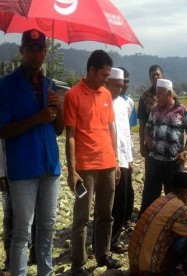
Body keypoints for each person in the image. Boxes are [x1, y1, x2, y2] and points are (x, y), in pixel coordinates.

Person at [0, 29, 63, 275]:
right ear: (22, 51)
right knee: (22, 231)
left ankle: (45, 272)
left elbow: (58, 129)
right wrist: (37, 117)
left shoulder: (50, 85)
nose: (37, 54)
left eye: (41, 50)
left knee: (47, 228)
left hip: (51, 167)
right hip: (24, 169)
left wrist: (60, 108)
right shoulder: (6, 86)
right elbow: (2, 130)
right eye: (31, 49)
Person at [63, 50, 121, 275]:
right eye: (103, 75)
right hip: (85, 168)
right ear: (91, 70)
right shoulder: (73, 95)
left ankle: (102, 255)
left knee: (106, 214)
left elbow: (110, 128)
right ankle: (78, 263)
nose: (106, 79)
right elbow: (70, 134)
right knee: (82, 217)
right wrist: (72, 170)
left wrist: (115, 160)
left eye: (107, 75)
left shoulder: (106, 94)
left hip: (107, 164)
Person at [128, 171, 187, 275]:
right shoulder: (179, 208)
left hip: (134, 266)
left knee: (181, 233)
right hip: (149, 271)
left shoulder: (162, 200)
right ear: (185, 192)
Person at [140, 79, 187, 215]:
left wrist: (185, 152)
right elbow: (147, 127)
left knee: (173, 198)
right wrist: (147, 138)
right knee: (149, 196)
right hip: (155, 161)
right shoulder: (154, 110)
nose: (157, 97)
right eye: (156, 93)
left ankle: (172, 226)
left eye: (160, 93)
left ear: (170, 93)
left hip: (174, 162)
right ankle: (145, 225)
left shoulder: (182, 111)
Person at [105, 68, 134, 254]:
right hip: (109, 160)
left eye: (122, 86)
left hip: (124, 159)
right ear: (107, 83)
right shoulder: (103, 102)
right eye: (116, 86)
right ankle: (106, 243)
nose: (119, 90)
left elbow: (125, 133)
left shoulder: (124, 104)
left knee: (122, 202)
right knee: (110, 203)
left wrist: (130, 159)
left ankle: (113, 239)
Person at [117, 67, 136, 227]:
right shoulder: (108, 100)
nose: (125, 85)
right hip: (113, 152)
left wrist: (130, 155)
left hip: (126, 148)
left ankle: (126, 218)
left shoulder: (128, 102)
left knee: (127, 187)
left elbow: (128, 129)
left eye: (127, 82)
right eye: (123, 82)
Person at [137, 64, 164, 160]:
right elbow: (142, 123)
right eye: (152, 76)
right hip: (151, 145)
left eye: (157, 74)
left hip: (169, 145)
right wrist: (142, 145)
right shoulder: (145, 97)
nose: (155, 77)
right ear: (150, 78)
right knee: (152, 173)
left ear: (163, 76)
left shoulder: (171, 95)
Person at [0, 139, 11, 272]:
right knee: (9, 216)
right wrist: (1, 173)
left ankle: (34, 250)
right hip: (8, 173)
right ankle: (9, 258)